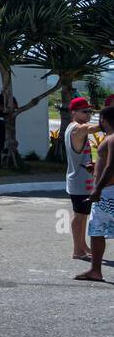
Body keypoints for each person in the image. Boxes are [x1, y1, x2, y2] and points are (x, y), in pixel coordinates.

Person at [75, 106, 114, 282]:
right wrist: (95, 168)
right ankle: (95, 271)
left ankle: (96, 271)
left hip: (107, 192)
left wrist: (97, 189)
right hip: (108, 190)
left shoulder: (112, 138)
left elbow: (111, 165)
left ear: (104, 120)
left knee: (97, 229)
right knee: (96, 229)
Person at [64, 97, 103, 261]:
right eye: (85, 111)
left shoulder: (73, 127)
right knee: (79, 215)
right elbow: (93, 128)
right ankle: (77, 250)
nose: (88, 114)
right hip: (79, 182)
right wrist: (108, 118)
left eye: (90, 111)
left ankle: (82, 246)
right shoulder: (77, 129)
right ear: (73, 112)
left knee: (82, 215)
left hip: (81, 180)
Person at [0, 91, 16, 162]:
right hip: (1, 121)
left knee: (11, 138)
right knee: (1, 139)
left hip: (10, 121)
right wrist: (8, 108)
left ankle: (10, 155)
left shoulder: (12, 98)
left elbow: (16, 106)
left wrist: (6, 108)